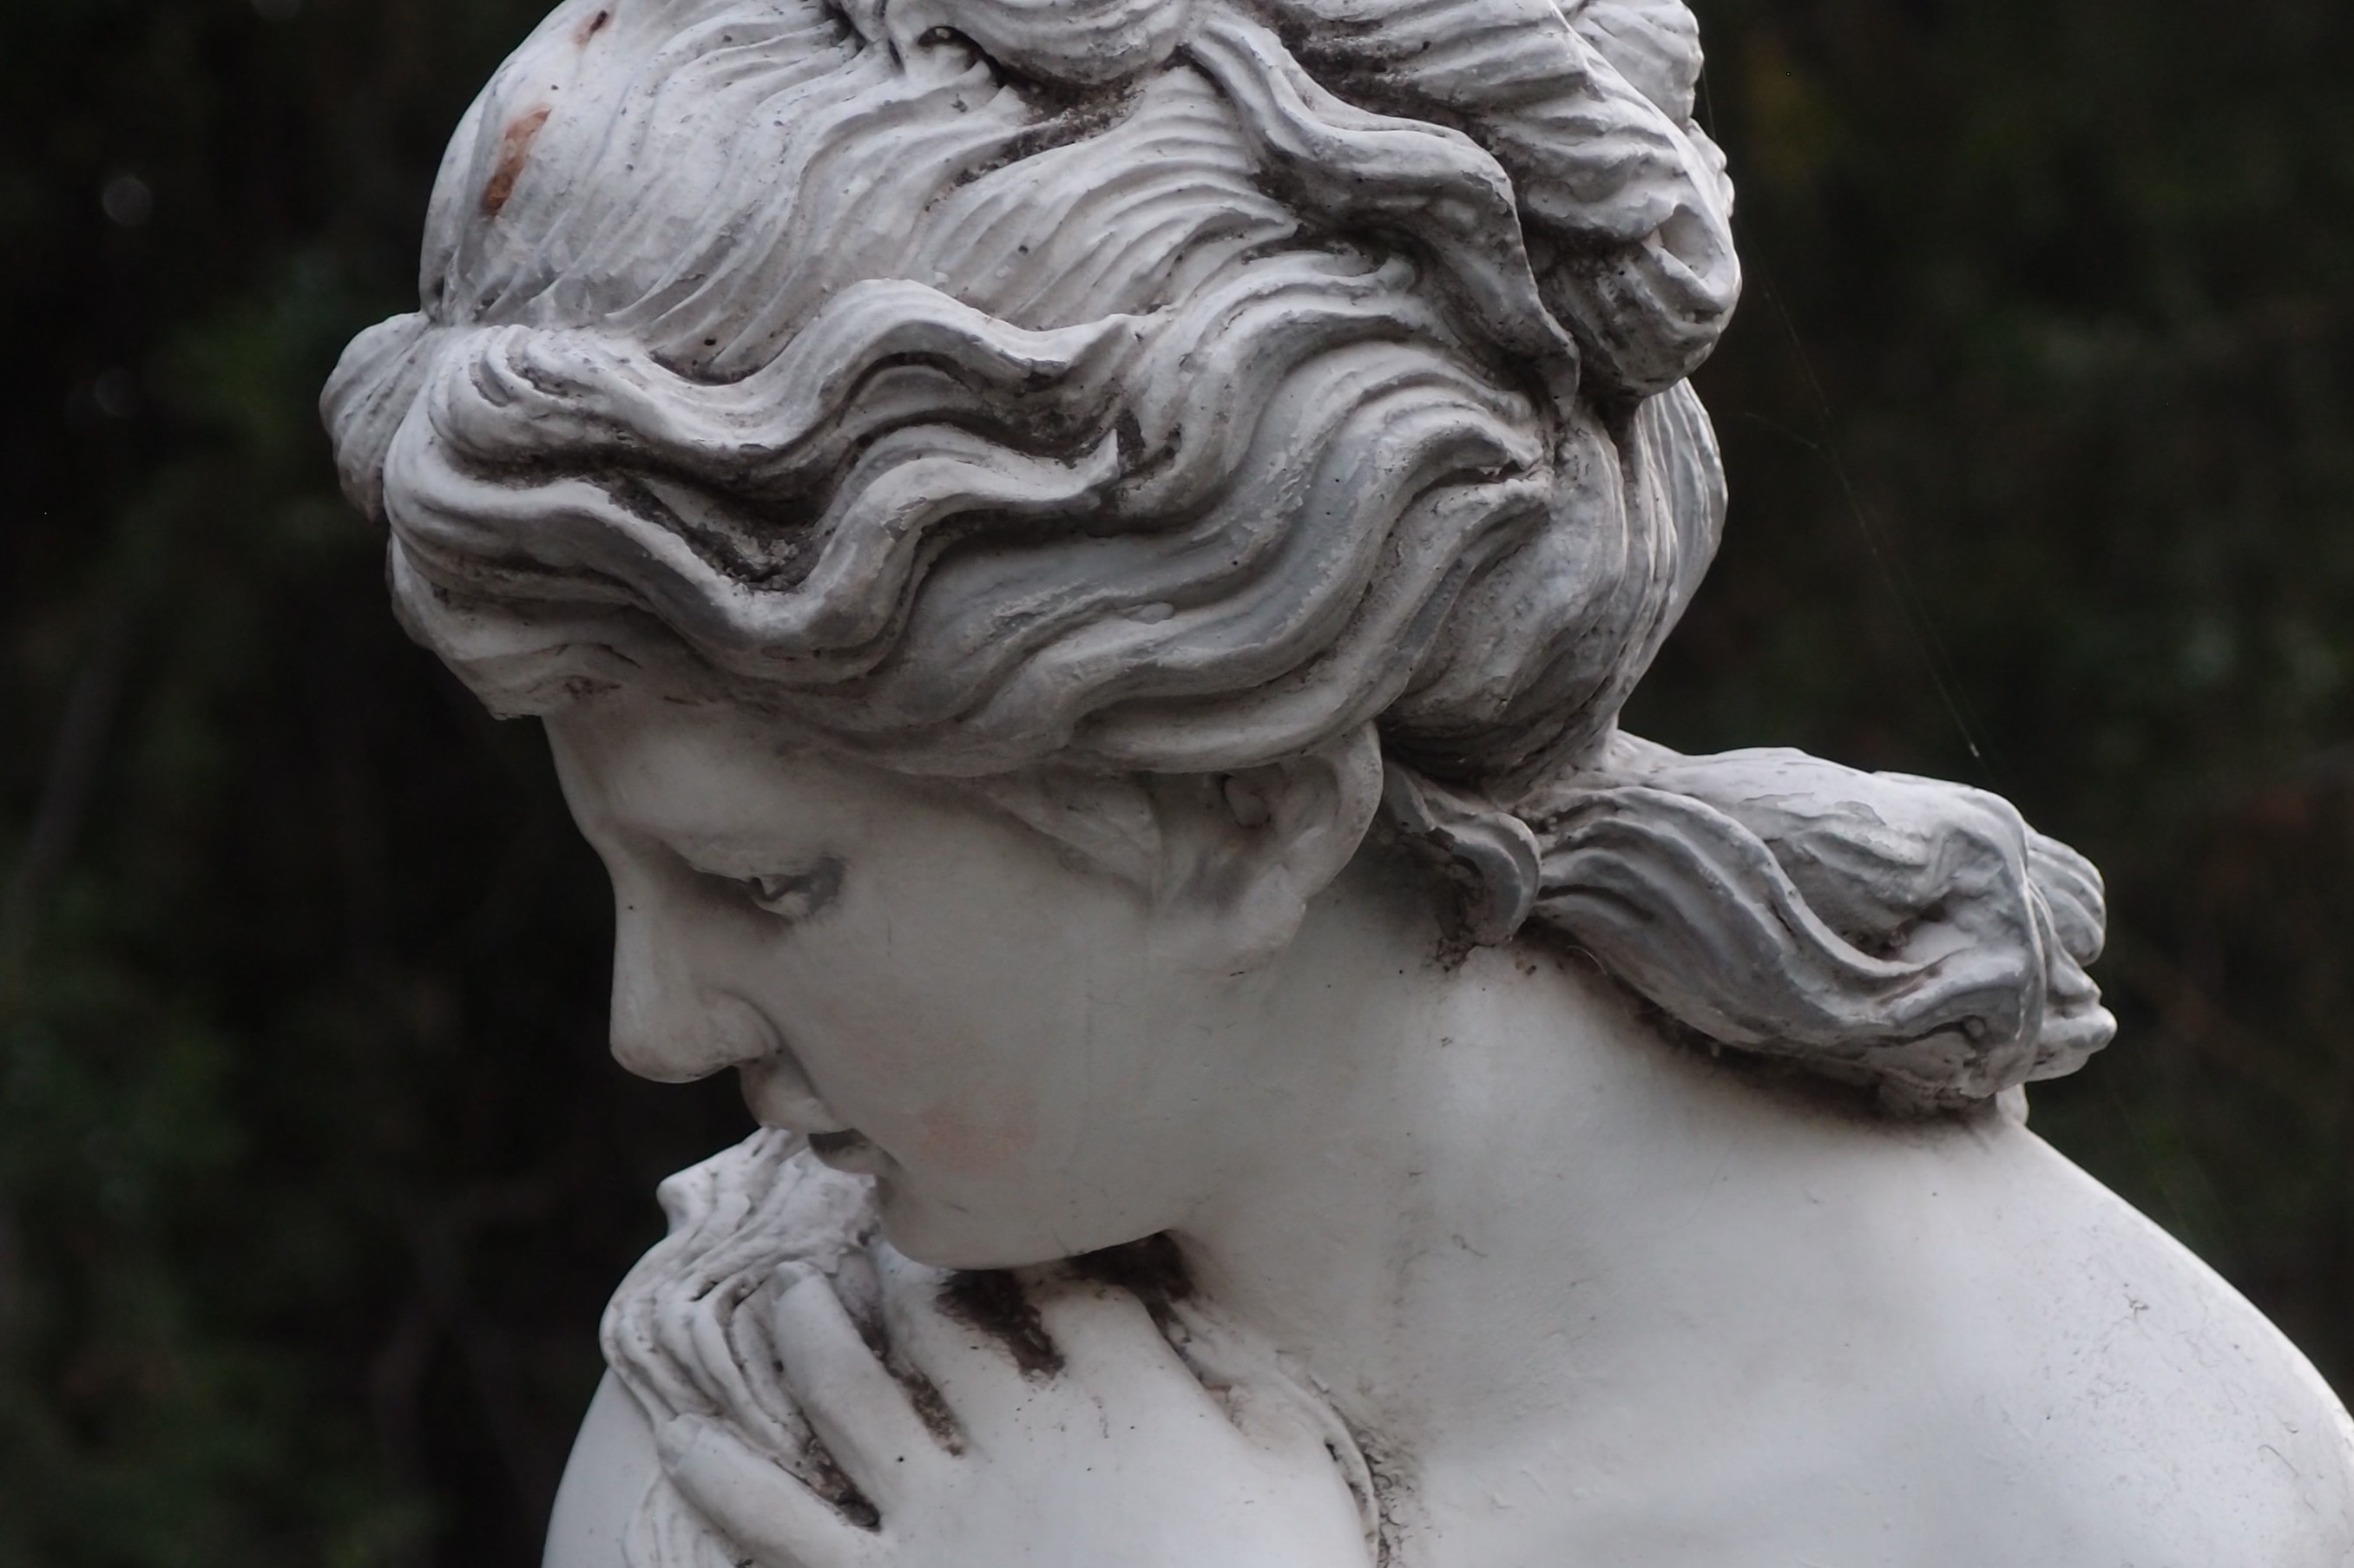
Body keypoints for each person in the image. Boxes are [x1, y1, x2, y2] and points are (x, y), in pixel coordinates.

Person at [325, 0, 2354, 1562]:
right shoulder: (793, 1401)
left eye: (765, 885)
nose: (649, 1026)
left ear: (1246, 815)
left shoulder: (2095, 1483)